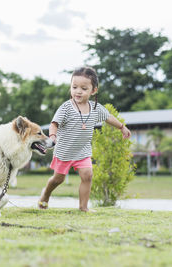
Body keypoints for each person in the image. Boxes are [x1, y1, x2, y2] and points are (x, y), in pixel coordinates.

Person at [38, 66, 132, 212]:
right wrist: (52, 136)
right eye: (74, 87)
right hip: (65, 150)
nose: (78, 91)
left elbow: (108, 117)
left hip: (82, 151)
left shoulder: (96, 108)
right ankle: (45, 194)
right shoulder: (66, 108)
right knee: (58, 179)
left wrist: (121, 127)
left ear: (93, 90)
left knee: (87, 175)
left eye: (83, 88)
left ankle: (83, 208)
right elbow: (54, 124)